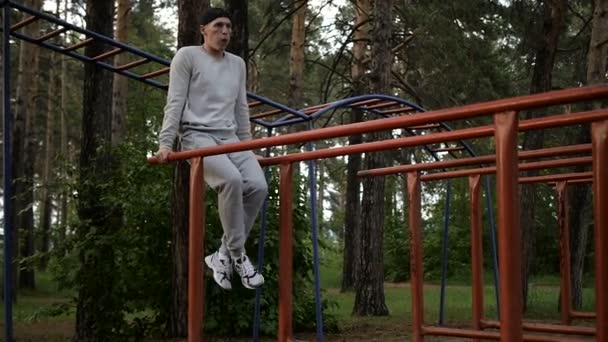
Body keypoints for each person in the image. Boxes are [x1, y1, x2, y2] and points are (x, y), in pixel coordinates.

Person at [155, 8, 267, 290]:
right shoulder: (188, 56)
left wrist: (248, 145)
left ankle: (222, 254)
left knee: (257, 185)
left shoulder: (237, 64)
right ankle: (239, 256)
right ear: (203, 29)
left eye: (229, 26)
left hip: (230, 138)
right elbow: (175, 102)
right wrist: (166, 143)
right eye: (218, 26)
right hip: (197, 136)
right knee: (230, 180)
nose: (225, 32)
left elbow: (241, 109)